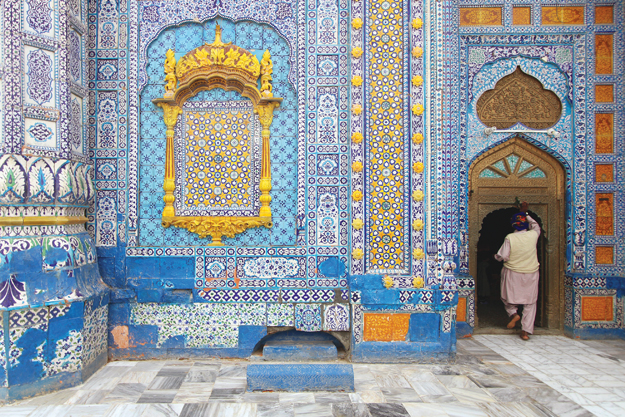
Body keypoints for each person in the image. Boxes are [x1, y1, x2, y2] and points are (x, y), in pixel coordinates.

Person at [494, 202, 540, 340]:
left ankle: (514, 315)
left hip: (513, 272)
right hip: (531, 273)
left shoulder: (510, 237)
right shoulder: (533, 235)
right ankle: (525, 332)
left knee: (507, 298)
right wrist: (526, 214)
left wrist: (495, 257)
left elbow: (503, 256)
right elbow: (536, 226)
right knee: (530, 303)